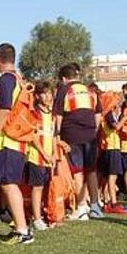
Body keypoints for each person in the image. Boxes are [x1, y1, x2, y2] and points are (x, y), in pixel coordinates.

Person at [0, 43, 33, 244]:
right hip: (19, 140)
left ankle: (22, 230)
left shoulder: (6, 80)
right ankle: (21, 227)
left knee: (8, 184)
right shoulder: (19, 80)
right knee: (9, 183)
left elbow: (4, 110)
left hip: (8, 140)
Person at [53, 63, 103, 220]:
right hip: (90, 135)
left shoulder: (64, 90)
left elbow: (58, 115)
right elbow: (98, 114)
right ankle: (95, 206)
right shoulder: (90, 91)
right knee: (92, 170)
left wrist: (57, 134)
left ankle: (81, 207)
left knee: (78, 171)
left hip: (72, 134)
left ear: (63, 78)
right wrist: (94, 131)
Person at [26, 81, 59, 228]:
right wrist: (43, 153)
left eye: (50, 93)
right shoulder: (34, 112)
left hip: (48, 157)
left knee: (46, 186)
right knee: (37, 187)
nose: (48, 97)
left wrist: (53, 154)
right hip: (36, 156)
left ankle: (44, 214)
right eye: (44, 94)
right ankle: (36, 218)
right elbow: (32, 136)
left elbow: (52, 135)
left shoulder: (51, 114)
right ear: (38, 96)